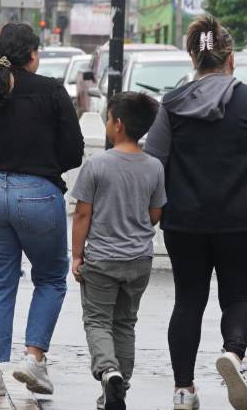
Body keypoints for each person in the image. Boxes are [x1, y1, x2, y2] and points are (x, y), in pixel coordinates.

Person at [143, 14, 247, 410]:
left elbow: (153, 162)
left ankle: (183, 389)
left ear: (193, 60)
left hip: (185, 222)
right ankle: (232, 354)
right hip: (241, 222)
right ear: (230, 59)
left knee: (188, 301)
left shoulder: (171, 105)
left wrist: (150, 210)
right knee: (240, 298)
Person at [0, 22, 84, 399]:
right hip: (38, 194)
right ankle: (33, 359)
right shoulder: (51, 91)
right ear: (32, 55)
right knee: (49, 277)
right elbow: (73, 151)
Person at [71, 91, 165, 410]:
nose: (107, 124)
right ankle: (119, 385)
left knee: (97, 320)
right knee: (125, 323)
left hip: (101, 259)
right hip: (139, 259)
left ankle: (108, 372)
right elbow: (155, 215)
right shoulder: (154, 167)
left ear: (119, 124)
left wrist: (76, 255)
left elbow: (82, 214)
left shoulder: (97, 165)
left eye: (109, 119)